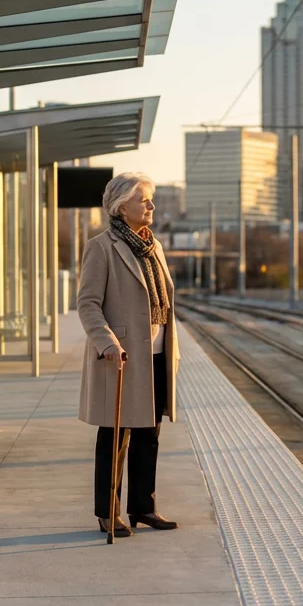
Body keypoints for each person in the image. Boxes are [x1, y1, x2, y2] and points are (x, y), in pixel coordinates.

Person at [76, 172, 180, 537]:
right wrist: (105, 342)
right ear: (122, 207)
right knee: (115, 437)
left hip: (157, 353)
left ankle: (142, 507)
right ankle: (108, 512)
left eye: (151, 200)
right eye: (144, 201)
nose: (151, 206)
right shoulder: (101, 247)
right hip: (119, 355)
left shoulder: (154, 247)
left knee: (149, 434)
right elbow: (88, 303)